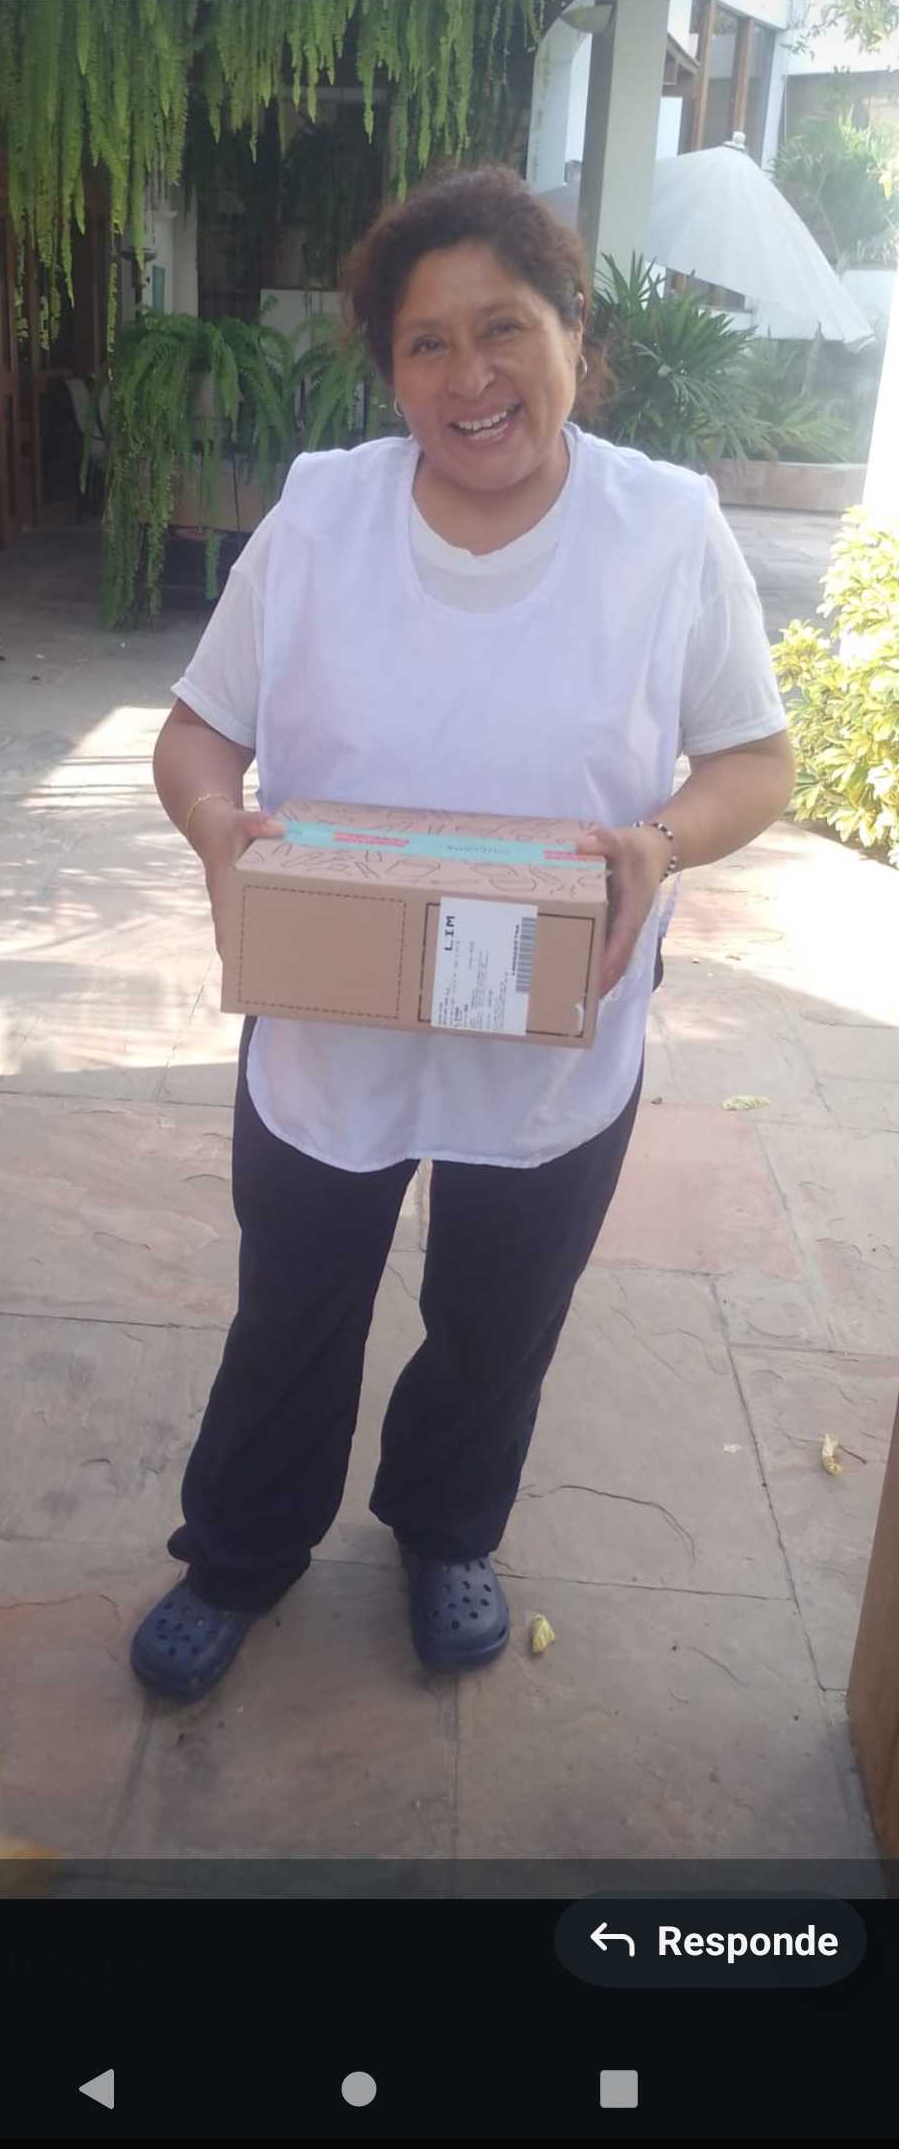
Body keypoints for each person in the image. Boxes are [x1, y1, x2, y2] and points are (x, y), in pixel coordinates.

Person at [131, 164, 795, 1699]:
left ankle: (447, 1533)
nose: (468, 375)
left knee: (499, 1318)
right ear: (390, 372)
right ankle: (239, 1552)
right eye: (425, 343)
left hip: (553, 1029)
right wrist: (219, 832)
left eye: (504, 329)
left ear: (577, 337)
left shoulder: (665, 529)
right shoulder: (323, 514)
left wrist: (659, 843)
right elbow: (199, 733)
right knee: (294, 1306)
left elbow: (755, 761)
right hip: (330, 1020)